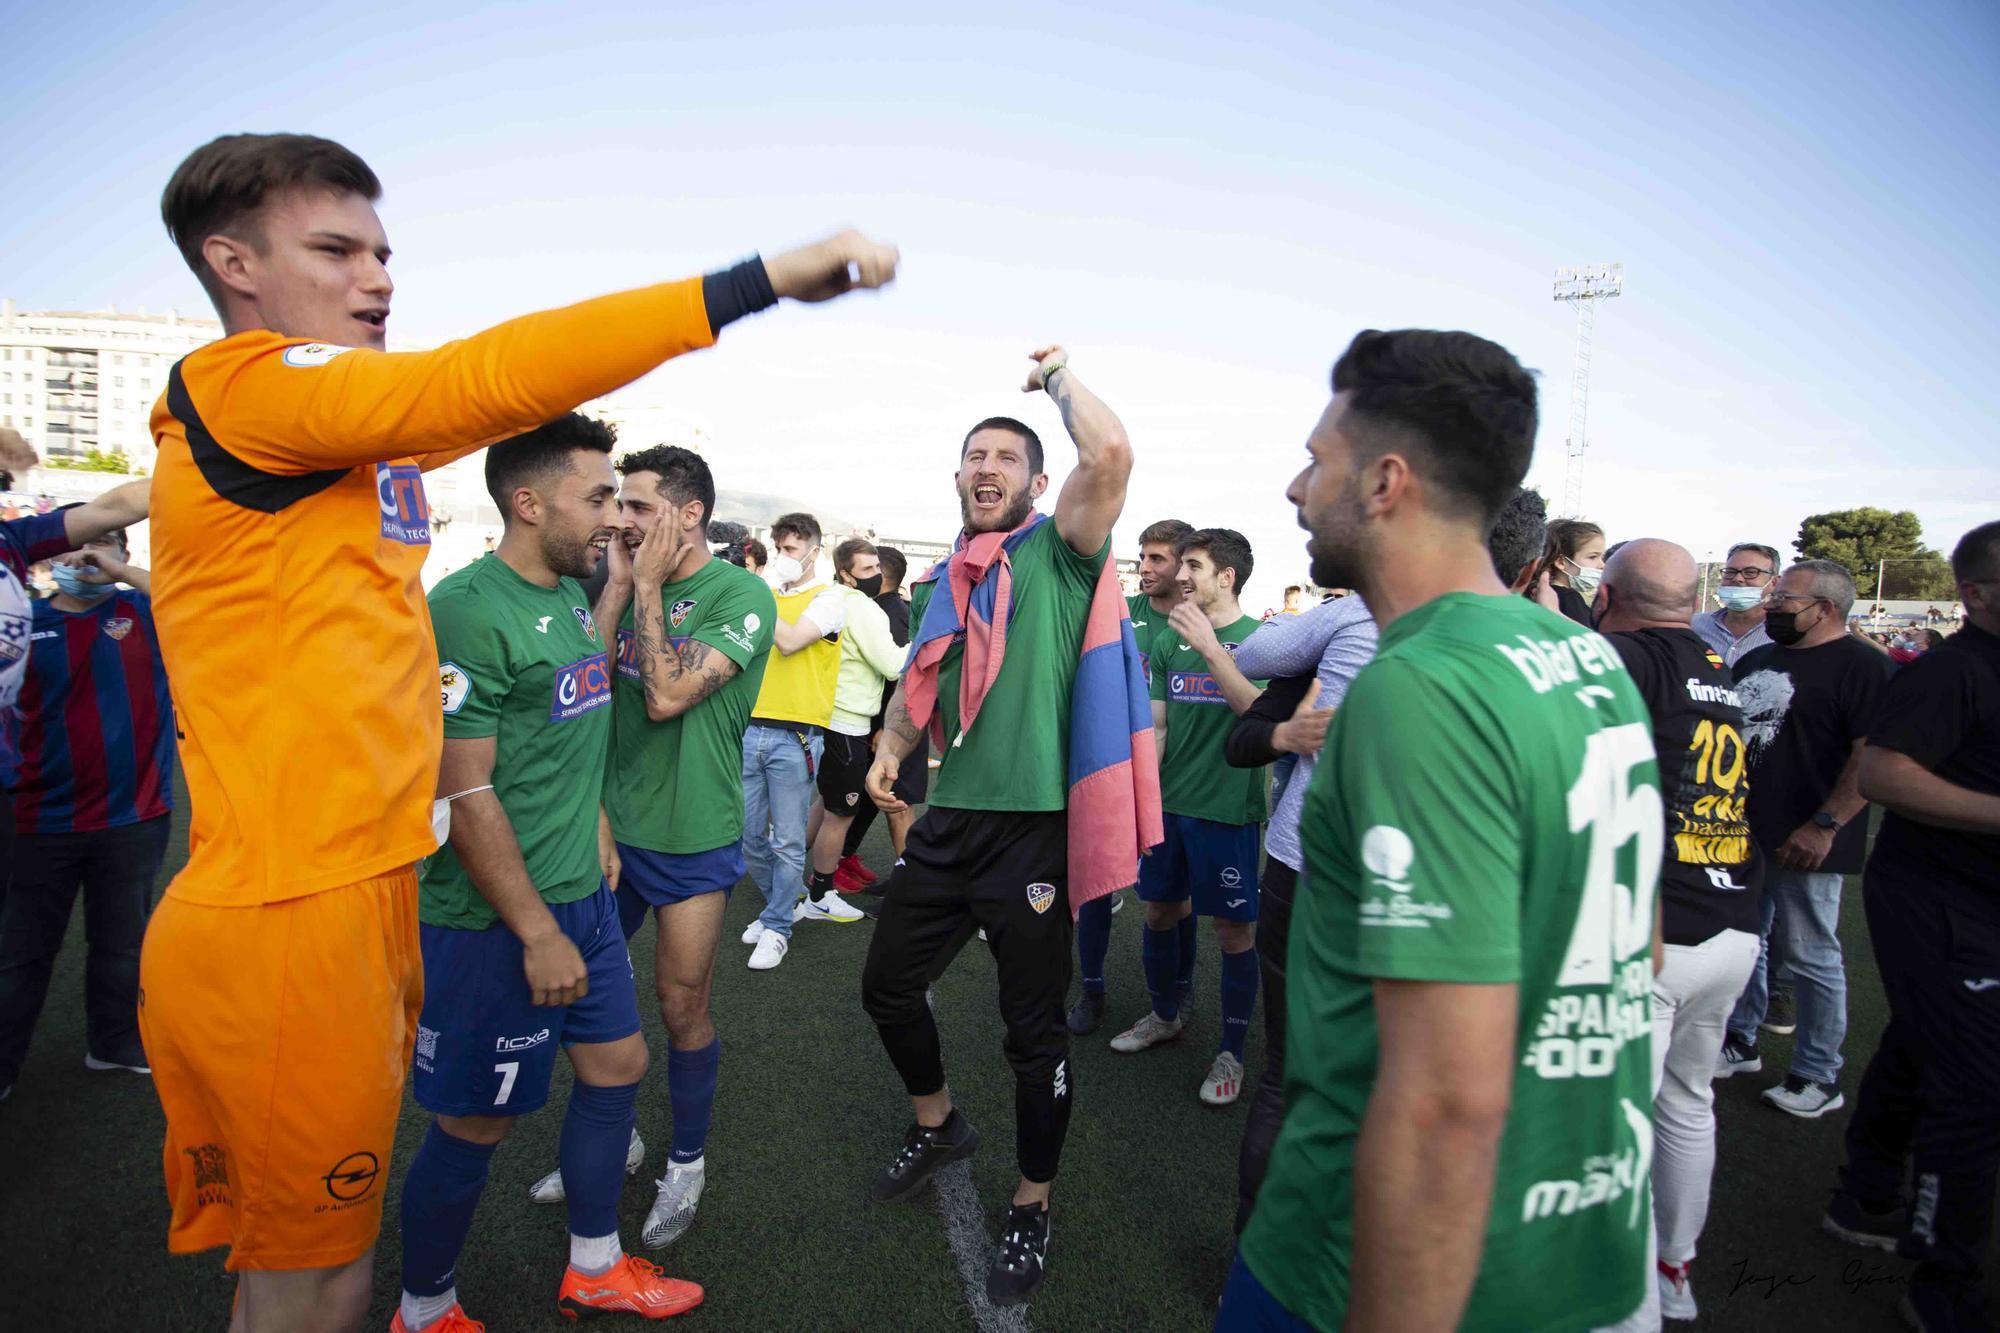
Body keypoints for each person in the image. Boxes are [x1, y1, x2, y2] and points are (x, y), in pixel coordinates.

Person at [133, 130, 895, 1332]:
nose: (376, 277)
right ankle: (435, 1297)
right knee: (313, 1279)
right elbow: (482, 381)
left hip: (354, 889)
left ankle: (558, 1264)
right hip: (294, 912)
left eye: (382, 250)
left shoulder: (300, 441)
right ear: (232, 263)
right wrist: (751, 284)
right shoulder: (254, 386)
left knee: (310, 1263)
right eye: (335, 249)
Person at [1222, 328, 1658, 1332]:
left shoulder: (1414, 687)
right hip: (1570, 1238)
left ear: (1381, 482)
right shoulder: (1581, 656)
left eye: (1315, 459)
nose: (1296, 488)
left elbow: (1440, 1105)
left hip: (1370, 1262)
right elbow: (1632, 947)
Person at [392, 417, 701, 1331]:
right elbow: (466, 792)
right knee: (476, 1124)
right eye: (599, 496)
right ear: (528, 504)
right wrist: (534, 931)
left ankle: (595, 1267)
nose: (616, 514)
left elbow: (571, 712)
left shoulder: (572, 593)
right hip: (494, 920)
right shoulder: (465, 609)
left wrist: (597, 823)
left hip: (581, 895)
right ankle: (424, 1308)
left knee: (617, 1065)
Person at [859, 346, 1146, 1307]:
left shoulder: (1060, 550)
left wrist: (1059, 383)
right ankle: (937, 1122)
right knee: (888, 987)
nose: (986, 468)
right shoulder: (953, 571)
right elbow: (924, 678)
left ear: (1033, 481)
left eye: (1005, 458)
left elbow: (1110, 457)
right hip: (951, 820)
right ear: (956, 477)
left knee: (1033, 1035)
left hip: (1034, 831)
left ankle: (1031, 1201)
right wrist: (894, 745)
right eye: (974, 456)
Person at [522, 443, 775, 1251]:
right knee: (591, 1004)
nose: (616, 519)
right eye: (615, 504)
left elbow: (665, 696)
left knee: (680, 1005)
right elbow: (582, 685)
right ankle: (616, 1133)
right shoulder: (614, 577)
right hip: (607, 831)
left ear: (688, 514)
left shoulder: (742, 594)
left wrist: (653, 587)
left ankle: (688, 1160)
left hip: (693, 837)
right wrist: (625, 587)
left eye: (634, 506)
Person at [1825, 521, 2000, 1333]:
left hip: (1976, 904)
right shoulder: (1952, 671)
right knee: (1973, 1083)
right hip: (1937, 900)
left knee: (1923, 1042)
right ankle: (1942, 1279)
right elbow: (1885, 772)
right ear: (1975, 594)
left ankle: (1864, 1190)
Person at [1594, 539, 1763, 1323]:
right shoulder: (1713, 659)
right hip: (1733, 919)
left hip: (1660, 929)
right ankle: (1673, 1272)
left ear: (1612, 593)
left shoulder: (1621, 657)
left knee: (1614, 1122)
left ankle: (1623, 1299)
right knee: (1689, 1103)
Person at [1223, 581, 1375, 1231]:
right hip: (1313, 867)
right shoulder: (1349, 616)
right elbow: (1251, 718)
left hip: (1401, 887)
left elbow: (1254, 658)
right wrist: (1287, 732)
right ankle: (1260, 1252)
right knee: (1298, 1073)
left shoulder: (1532, 642)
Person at [0, 531, 172, 1100]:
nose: (88, 556)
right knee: (22, 953)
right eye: (82, 544)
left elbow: (197, 599)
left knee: (123, 943)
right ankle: (4, 1062)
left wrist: (123, 575)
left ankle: (114, 1042)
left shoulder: (148, 611)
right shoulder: (25, 625)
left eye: (106, 544)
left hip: (132, 816)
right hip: (39, 819)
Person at [1716, 560, 1890, 1118]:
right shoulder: (1763, 657)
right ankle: (1741, 1041)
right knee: (1749, 942)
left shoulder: (1865, 667)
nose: (1772, 606)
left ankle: (1818, 1072)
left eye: (1785, 599)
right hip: (1745, 832)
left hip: (1808, 838)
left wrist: (1825, 824)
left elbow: (1871, 757)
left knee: (1813, 955)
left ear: (1825, 609)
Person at [1109, 528, 1267, 1109]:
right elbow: (1158, 728)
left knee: (1232, 932)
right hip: (1171, 807)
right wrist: (1142, 801)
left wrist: (1210, 649)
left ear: (1225, 576)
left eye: (1193, 567)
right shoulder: (1169, 643)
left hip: (1227, 812)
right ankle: (1164, 1014)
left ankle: (1231, 1050)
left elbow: (1258, 715)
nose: (1181, 576)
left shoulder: (1264, 641)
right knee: (1157, 912)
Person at [0, 427, 151, 881]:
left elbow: (115, 507)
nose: (83, 558)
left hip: (22, 797)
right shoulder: (40, 613)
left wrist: (220, 468)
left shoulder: (12, 542)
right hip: (42, 810)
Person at [1068, 516, 1192, 1035]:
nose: (1145, 568)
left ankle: (1176, 996)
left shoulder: (1198, 623)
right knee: (1096, 886)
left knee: (1171, 900)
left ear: (1184, 565)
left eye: (1157, 559)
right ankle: (1091, 990)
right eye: (1142, 557)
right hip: (1111, 774)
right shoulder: (1119, 614)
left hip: (1173, 782)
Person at [739, 511, 858, 970]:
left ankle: (778, 926)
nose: (784, 559)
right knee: (750, 837)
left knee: (788, 841)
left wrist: (757, 593)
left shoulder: (830, 599)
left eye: (791, 550)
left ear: (814, 551)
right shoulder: (766, 594)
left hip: (797, 737)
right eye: (780, 550)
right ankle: (782, 906)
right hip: (751, 728)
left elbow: (788, 641)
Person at [804, 537, 904, 916]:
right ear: (846, 574)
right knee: (841, 813)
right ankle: (820, 895)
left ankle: (783, 876)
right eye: (866, 569)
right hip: (847, 720)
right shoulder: (862, 608)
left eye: (877, 567)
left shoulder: (829, 597)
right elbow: (893, 664)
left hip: (826, 714)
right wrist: (926, 644)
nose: (876, 575)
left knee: (823, 802)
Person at [838, 543, 926, 883]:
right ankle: (843, 858)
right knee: (871, 798)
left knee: (896, 804)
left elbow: (902, 675)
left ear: (882, 575)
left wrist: (883, 732)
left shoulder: (890, 614)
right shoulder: (882, 608)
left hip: (896, 728)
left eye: (870, 569)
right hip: (891, 727)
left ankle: (911, 884)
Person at [1691, 542, 1779, 668]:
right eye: (1730, 571)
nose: (1737, 578)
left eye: (1750, 572)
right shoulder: (1695, 625)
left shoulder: (1782, 634)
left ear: (1774, 582)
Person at [1539, 517, 1606, 626]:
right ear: (1561, 562)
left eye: (1602, 557)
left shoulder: (1541, 594)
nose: (1602, 565)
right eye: (1593, 557)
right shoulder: (1570, 599)